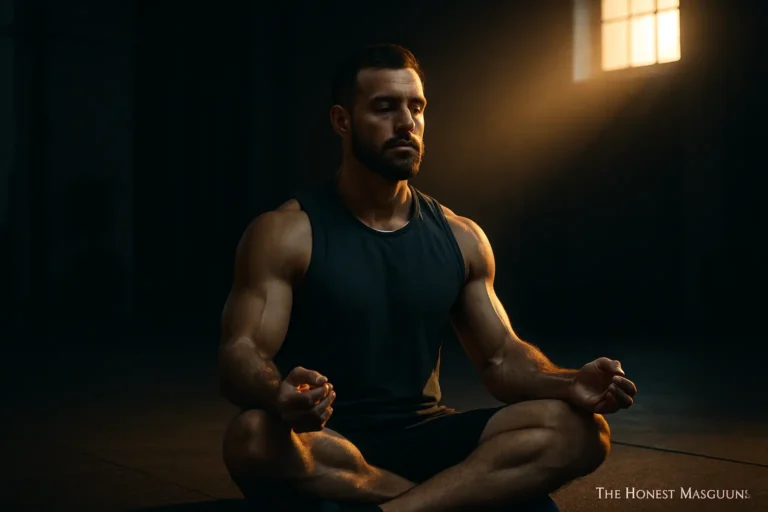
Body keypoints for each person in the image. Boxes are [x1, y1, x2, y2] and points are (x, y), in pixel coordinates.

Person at [218, 44, 637, 512]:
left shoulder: (460, 236)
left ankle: (399, 508)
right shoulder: (286, 232)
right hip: (325, 439)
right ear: (342, 121)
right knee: (250, 436)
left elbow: (500, 358)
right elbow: (242, 351)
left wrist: (568, 382)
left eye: (416, 107)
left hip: (426, 432)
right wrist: (278, 394)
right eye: (384, 107)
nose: (406, 123)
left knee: (581, 430)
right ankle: (450, 499)